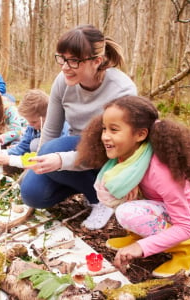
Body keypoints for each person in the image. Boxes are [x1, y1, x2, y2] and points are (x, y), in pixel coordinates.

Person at [75, 95, 190, 278]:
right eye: (104, 129)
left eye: (114, 130)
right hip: (163, 210)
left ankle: (187, 253)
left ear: (140, 134)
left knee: (128, 212)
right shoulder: (130, 157)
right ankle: (139, 234)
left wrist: (141, 247)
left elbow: (185, 225)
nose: (105, 136)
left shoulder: (161, 171)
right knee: (122, 200)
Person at [19, 24, 137, 230]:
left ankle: (100, 199)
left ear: (96, 61)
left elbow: (113, 148)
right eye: (62, 58)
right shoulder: (62, 82)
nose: (65, 67)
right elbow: (51, 130)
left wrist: (59, 159)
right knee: (32, 194)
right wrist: (40, 162)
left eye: (73, 61)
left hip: (108, 156)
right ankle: (80, 183)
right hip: (74, 151)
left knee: (52, 152)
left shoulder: (122, 91)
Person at [0, 89, 68, 168]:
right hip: (38, 158)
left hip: (57, 162)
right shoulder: (32, 127)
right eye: (29, 122)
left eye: (34, 122)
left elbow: (50, 154)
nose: (30, 125)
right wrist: (3, 153)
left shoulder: (61, 127)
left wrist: (12, 160)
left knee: (35, 144)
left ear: (48, 115)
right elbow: (23, 147)